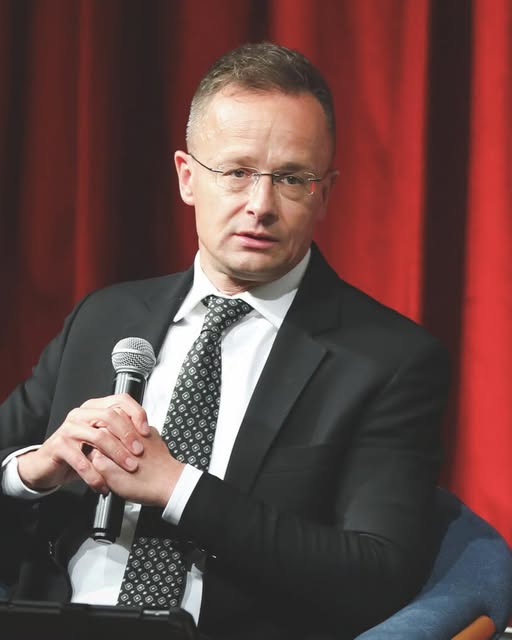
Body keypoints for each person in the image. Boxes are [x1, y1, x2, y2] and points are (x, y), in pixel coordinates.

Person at [0, 42, 449, 639]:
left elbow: (377, 575)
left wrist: (178, 487)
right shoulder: (104, 317)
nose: (260, 206)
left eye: (291, 178)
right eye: (237, 173)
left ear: (324, 193)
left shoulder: (387, 360)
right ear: (187, 177)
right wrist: (32, 471)